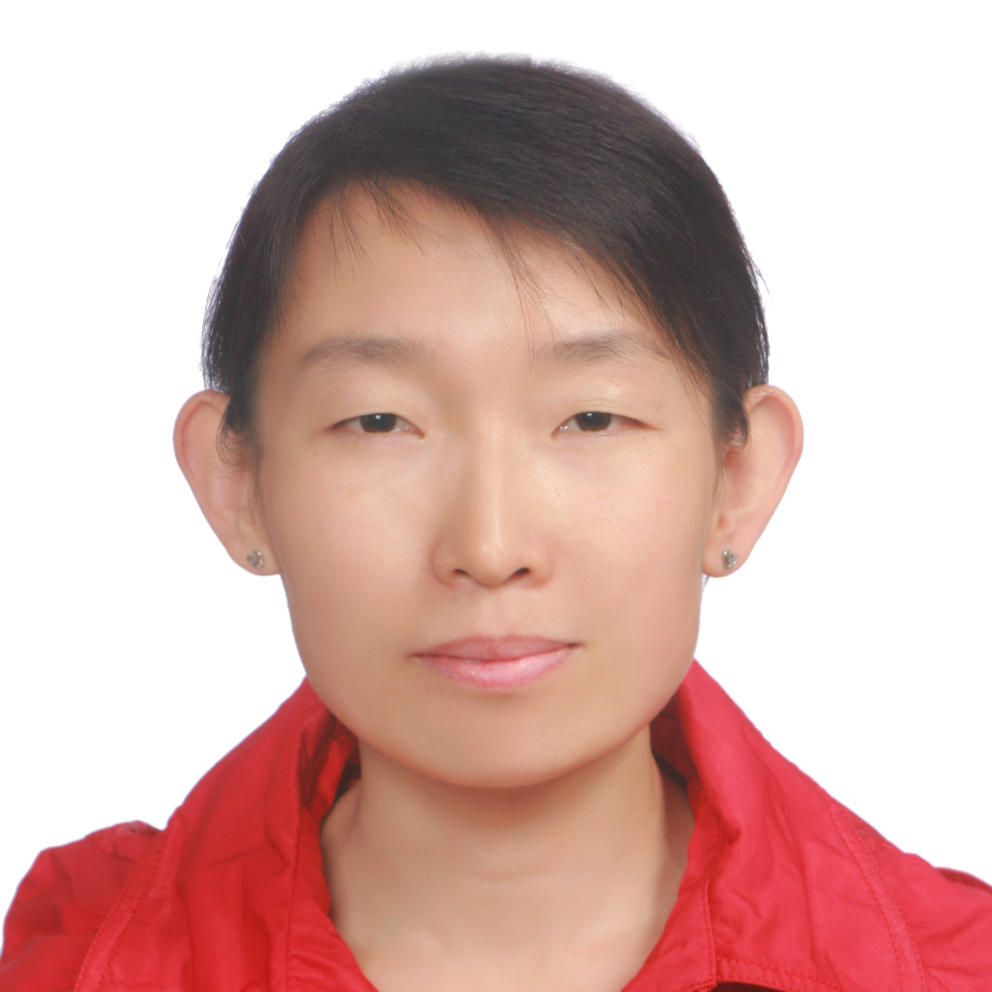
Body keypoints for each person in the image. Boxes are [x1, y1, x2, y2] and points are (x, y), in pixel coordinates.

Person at [1, 57, 989, 992]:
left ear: (736, 475)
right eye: (378, 421)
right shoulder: (68, 957)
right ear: (238, 482)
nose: (489, 548)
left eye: (591, 418)